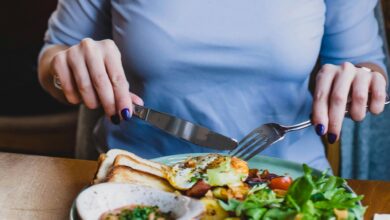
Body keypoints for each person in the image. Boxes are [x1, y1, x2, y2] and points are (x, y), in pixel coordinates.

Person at [38, 0, 387, 171]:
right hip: (140, 181)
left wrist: (361, 79)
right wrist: (63, 67)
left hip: (292, 186)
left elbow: (367, 63)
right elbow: (52, 57)